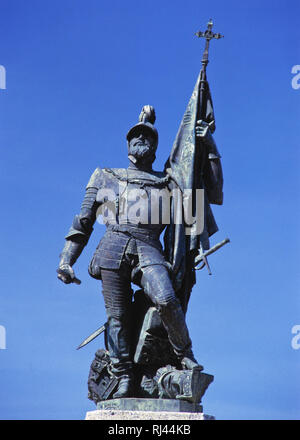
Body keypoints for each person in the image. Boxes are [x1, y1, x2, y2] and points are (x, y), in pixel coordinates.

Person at [57, 105, 223, 399]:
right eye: (135, 136)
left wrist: (209, 145)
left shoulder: (169, 183)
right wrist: (66, 260)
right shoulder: (105, 176)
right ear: (127, 145)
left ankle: (184, 355)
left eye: (146, 136)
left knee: (167, 299)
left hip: (149, 248)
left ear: (156, 147)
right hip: (112, 247)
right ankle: (123, 376)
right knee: (117, 318)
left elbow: (211, 190)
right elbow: (82, 223)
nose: (140, 140)